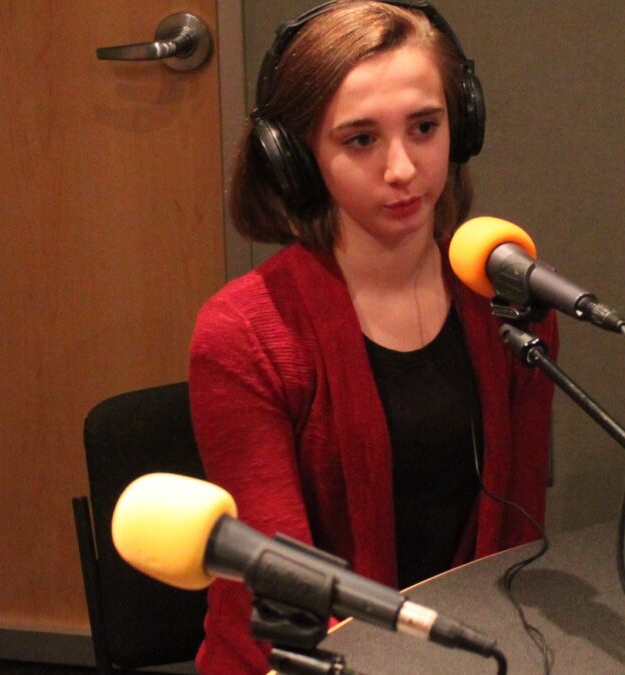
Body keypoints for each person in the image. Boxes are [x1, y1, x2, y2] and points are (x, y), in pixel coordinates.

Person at [188, 2, 557, 673]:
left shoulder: (510, 299)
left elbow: (519, 543)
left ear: (462, 124)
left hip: (470, 655)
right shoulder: (243, 332)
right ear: (297, 159)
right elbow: (287, 597)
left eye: (424, 127)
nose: (402, 169)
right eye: (360, 139)